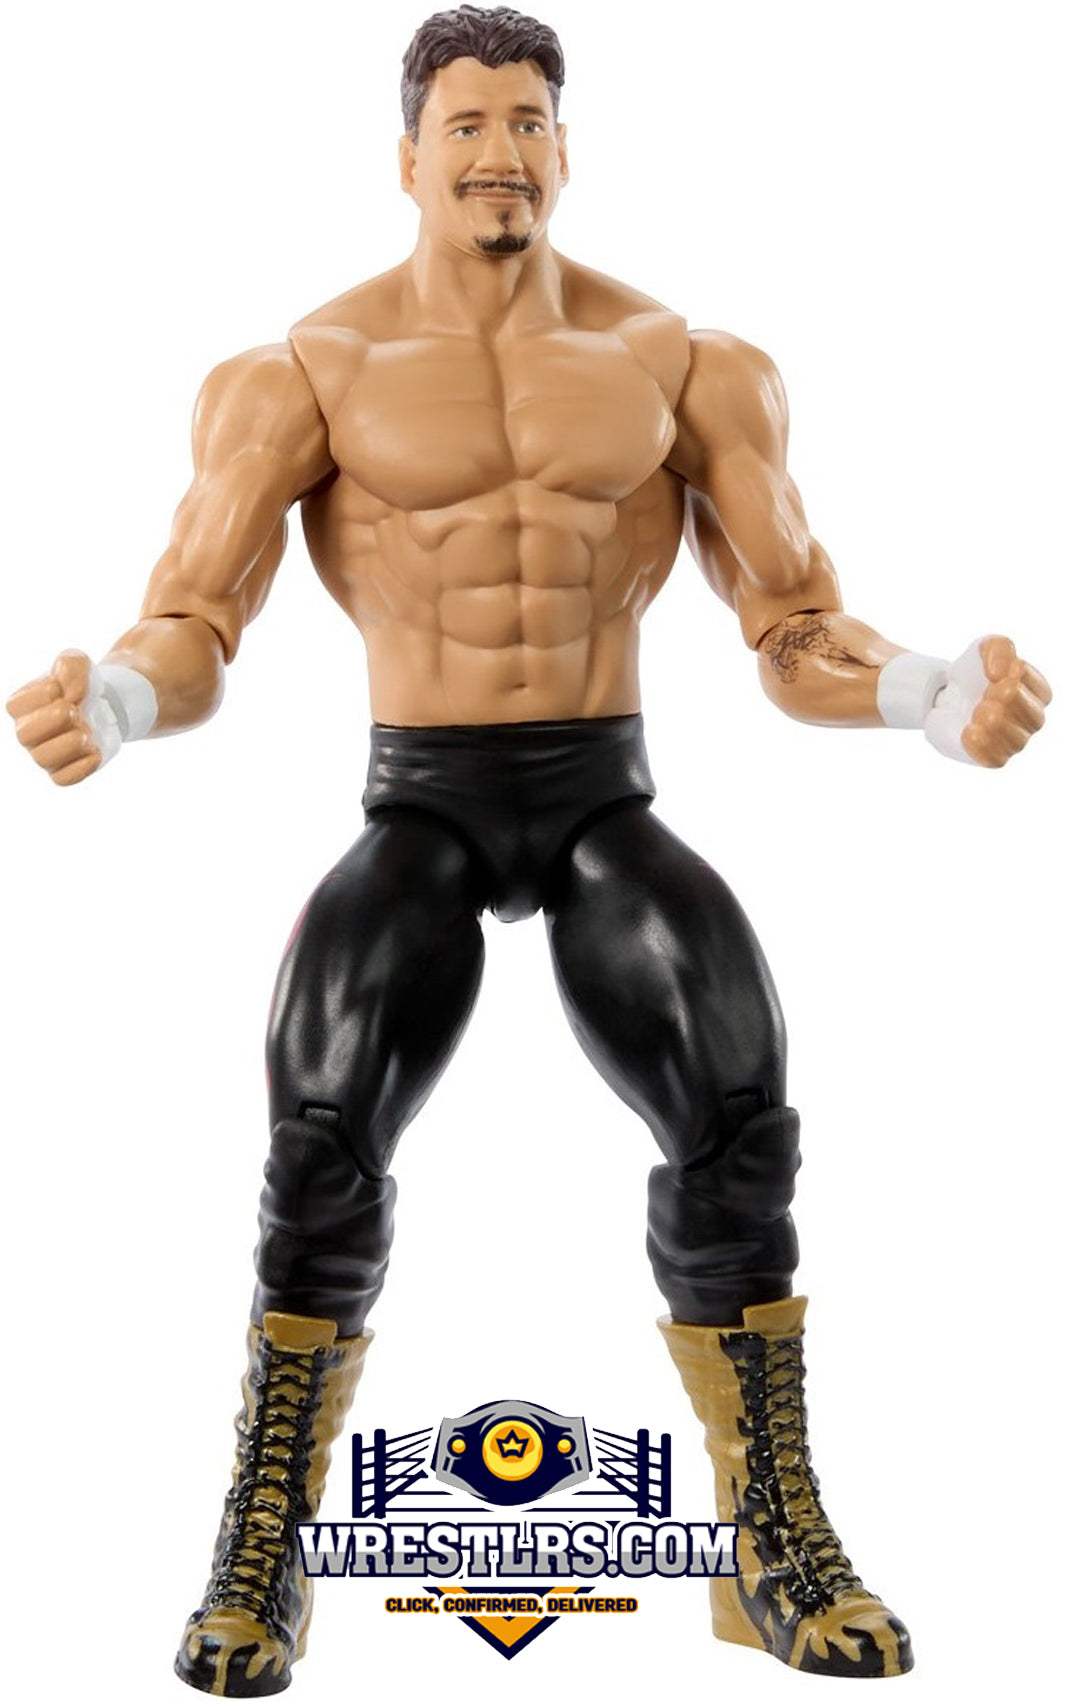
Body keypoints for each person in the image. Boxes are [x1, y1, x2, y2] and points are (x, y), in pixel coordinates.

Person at [6, 5, 1049, 1693]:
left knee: (738, 1115)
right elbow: (194, 619)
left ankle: (769, 1542)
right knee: (318, 1144)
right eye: (467, 123)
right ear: (406, 155)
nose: (499, 152)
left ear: (567, 147)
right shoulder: (303, 371)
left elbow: (792, 626)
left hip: (598, 789)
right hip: (419, 796)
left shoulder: (682, 362)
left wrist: (932, 695)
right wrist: (113, 702)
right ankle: (263, 1549)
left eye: (528, 121)